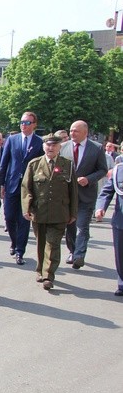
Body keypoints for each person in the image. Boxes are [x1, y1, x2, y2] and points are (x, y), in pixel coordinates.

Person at [21, 135, 78, 290]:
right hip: (39, 211)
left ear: (59, 147)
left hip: (60, 212)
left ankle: (48, 275)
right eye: (48, 145)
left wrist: (73, 213)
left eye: (54, 145)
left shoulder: (67, 165)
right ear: (44, 146)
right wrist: (26, 208)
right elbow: (26, 188)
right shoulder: (34, 164)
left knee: (52, 243)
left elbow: (73, 190)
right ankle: (40, 269)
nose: (51, 148)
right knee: (41, 243)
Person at [0, 112, 45, 265]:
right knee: (9, 217)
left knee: (24, 219)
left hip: (29, 187)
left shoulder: (39, 142)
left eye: (27, 122)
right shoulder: (12, 140)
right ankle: (14, 241)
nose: (23, 125)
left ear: (34, 125)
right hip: (11, 184)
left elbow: (41, 166)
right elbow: (4, 162)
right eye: (22, 122)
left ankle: (20, 250)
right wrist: (1, 184)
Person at [63, 120, 108, 269]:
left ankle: (79, 255)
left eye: (75, 131)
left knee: (82, 226)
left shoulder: (96, 148)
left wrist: (88, 179)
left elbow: (102, 170)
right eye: (71, 131)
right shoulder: (64, 148)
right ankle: (73, 251)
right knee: (70, 226)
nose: (72, 133)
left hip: (86, 195)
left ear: (85, 132)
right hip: (68, 195)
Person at [95, 162, 123, 296]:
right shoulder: (119, 170)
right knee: (121, 256)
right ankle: (122, 283)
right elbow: (106, 191)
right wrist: (101, 207)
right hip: (121, 221)